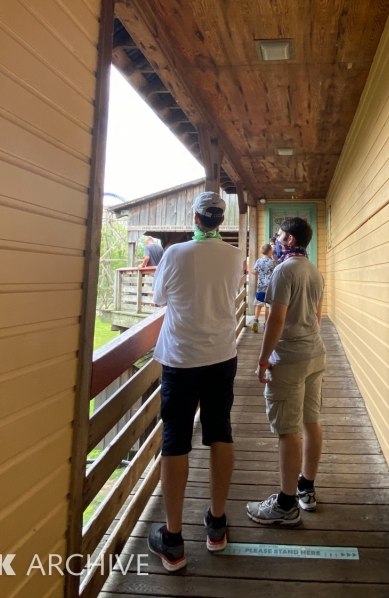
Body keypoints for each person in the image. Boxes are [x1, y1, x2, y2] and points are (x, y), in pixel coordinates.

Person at [146, 192, 243, 570]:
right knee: (221, 432)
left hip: (181, 358)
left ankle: (172, 539)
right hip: (221, 355)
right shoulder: (236, 256)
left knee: (175, 440)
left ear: (196, 218)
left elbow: (159, 299)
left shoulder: (175, 253)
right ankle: (216, 525)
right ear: (221, 220)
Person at [246, 217, 324, 527]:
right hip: (315, 354)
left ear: (289, 240)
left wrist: (263, 360)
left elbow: (275, 320)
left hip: (290, 360)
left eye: (279, 235)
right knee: (311, 420)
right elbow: (317, 319)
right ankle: (306, 487)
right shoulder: (315, 271)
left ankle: (286, 504)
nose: (276, 240)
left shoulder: (283, 271)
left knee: (288, 429)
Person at [250, 244, 276, 332]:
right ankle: (266, 324)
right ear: (269, 252)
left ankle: (255, 322)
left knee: (258, 305)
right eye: (271, 250)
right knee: (268, 307)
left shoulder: (259, 261)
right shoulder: (272, 262)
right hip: (270, 287)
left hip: (260, 286)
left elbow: (254, 272)